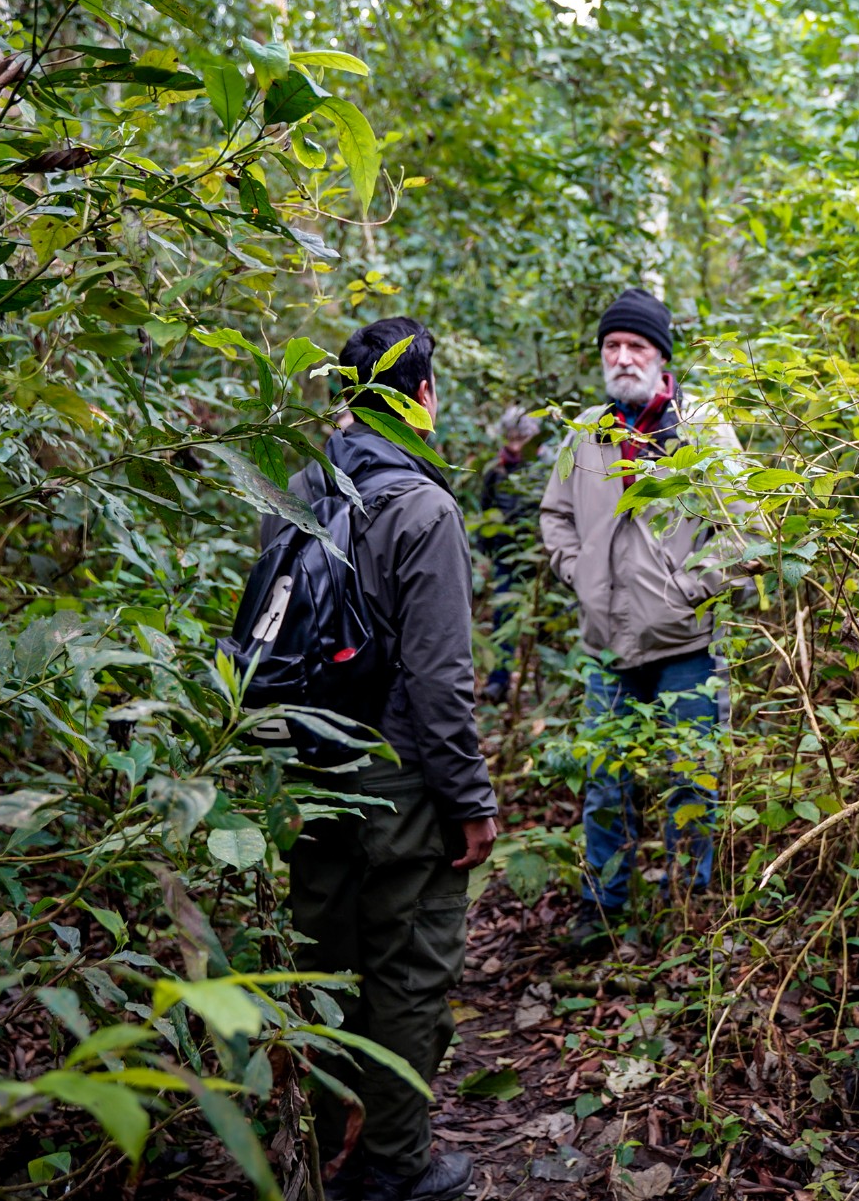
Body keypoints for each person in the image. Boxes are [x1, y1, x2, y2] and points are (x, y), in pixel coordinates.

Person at [267, 316, 499, 1201]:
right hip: (397, 776)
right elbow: (441, 679)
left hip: (304, 760)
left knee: (326, 955)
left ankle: (320, 1143)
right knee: (408, 964)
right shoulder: (423, 507)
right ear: (424, 398)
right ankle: (395, 1163)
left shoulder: (301, 487)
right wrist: (470, 802)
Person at [538, 287, 744, 952]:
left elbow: (743, 532)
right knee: (606, 783)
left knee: (691, 777)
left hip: (686, 641)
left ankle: (687, 909)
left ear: (661, 357)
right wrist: (579, 574)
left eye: (636, 346)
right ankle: (602, 910)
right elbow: (555, 517)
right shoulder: (585, 433)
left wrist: (691, 589)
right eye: (612, 347)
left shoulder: (703, 428)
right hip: (606, 644)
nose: (622, 357)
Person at [476, 408, 546, 704]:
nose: (516, 445)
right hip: (506, 556)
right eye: (511, 438)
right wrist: (486, 555)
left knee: (544, 621)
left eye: (523, 438)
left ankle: (544, 685)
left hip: (540, 556)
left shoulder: (545, 466)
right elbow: (485, 513)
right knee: (504, 622)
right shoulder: (496, 470)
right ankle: (499, 682)